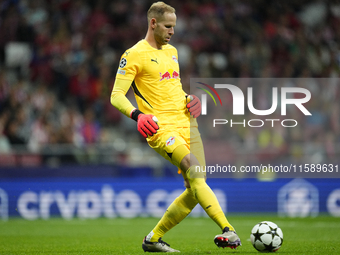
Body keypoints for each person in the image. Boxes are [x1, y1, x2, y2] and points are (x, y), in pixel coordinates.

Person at [110, 1, 241, 252]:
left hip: (187, 123)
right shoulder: (134, 54)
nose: (172, 31)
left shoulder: (172, 52)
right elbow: (116, 95)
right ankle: (228, 230)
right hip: (160, 128)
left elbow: (174, 89)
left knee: (195, 188)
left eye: (174, 27)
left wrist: (190, 100)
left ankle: (153, 239)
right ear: (153, 23)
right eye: (168, 26)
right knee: (193, 169)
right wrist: (137, 115)